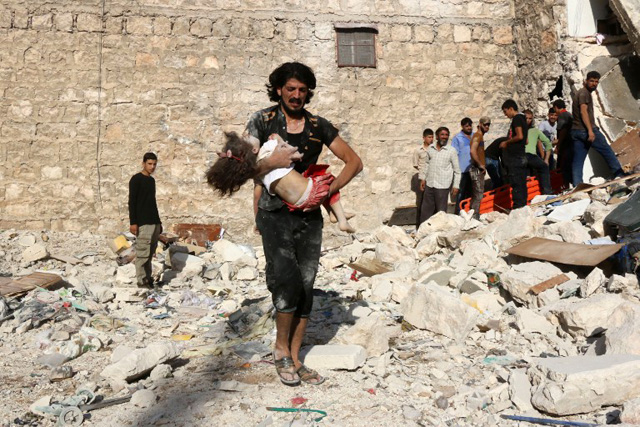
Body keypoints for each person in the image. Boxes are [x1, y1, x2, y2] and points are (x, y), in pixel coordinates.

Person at [245, 62, 362, 386]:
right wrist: (275, 162)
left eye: (302, 89)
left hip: (308, 217)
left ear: (308, 91)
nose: (296, 95)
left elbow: (354, 161)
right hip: (273, 212)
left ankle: (295, 358)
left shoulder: (317, 126)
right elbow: (247, 166)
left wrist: (326, 191)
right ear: (279, 89)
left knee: (307, 284)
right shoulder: (263, 120)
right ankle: (281, 349)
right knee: (286, 279)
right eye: (290, 89)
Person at [206, 132, 355, 233]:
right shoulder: (269, 147)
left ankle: (332, 213)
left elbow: (257, 196)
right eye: (248, 136)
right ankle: (341, 220)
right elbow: (296, 154)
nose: (248, 133)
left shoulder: (258, 173)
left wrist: (258, 221)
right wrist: (280, 140)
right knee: (327, 178)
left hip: (297, 205)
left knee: (312, 177)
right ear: (255, 149)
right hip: (310, 194)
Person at [570, 70, 624, 185]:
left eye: (596, 82)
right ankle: (619, 174)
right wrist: (590, 131)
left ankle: (577, 184)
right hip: (585, 130)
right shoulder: (584, 93)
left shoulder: (581, 93)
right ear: (586, 81)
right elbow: (583, 112)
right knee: (607, 151)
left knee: (578, 160)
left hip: (576, 131)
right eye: (592, 81)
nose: (594, 84)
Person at [128, 152, 162, 288]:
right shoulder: (136, 179)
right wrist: (133, 222)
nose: (152, 167)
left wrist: (159, 222)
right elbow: (132, 202)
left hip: (154, 222)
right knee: (142, 253)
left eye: (154, 164)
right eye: (149, 164)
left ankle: (148, 279)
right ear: (143, 164)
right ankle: (141, 281)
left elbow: (152, 202)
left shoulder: (151, 180)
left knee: (150, 253)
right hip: (143, 223)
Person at [419, 127, 461, 222]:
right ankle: (423, 232)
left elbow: (457, 171)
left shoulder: (451, 151)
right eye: (442, 134)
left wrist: (456, 186)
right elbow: (426, 164)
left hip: (442, 187)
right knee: (426, 211)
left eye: (446, 135)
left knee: (440, 214)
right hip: (429, 184)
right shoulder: (431, 148)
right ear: (437, 136)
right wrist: (422, 179)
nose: (444, 137)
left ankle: (439, 234)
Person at [500, 99, 529, 209]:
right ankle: (523, 205)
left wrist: (506, 142)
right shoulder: (523, 119)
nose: (505, 115)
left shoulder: (516, 119)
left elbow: (520, 136)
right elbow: (525, 140)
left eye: (505, 111)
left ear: (511, 109)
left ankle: (518, 207)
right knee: (522, 182)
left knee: (516, 183)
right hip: (521, 155)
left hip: (516, 157)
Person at [524, 110, 553, 195]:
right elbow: (547, 144)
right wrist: (546, 160)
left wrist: (546, 159)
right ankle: (547, 193)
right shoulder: (519, 130)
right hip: (527, 156)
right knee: (544, 168)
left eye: (530, 118)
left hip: (525, 157)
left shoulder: (534, 130)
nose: (528, 120)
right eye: (526, 118)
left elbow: (547, 143)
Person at [468, 117, 491, 219]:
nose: (487, 126)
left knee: (478, 193)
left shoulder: (480, 136)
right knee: (478, 194)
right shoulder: (477, 136)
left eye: (488, 124)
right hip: (476, 169)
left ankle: (474, 215)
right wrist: (480, 165)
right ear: (480, 124)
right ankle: (474, 216)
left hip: (477, 168)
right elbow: (473, 151)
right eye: (485, 124)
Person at [451, 117, 473, 214]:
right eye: (466, 126)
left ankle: (469, 211)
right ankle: (459, 212)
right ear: (462, 126)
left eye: (470, 125)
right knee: (461, 192)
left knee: (471, 192)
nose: (469, 128)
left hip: (473, 169)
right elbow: (454, 154)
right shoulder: (457, 138)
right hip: (462, 169)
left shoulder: (475, 136)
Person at [413, 128, 434, 228]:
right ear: (424, 138)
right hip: (422, 178)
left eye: (432, 137)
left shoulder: (434, 149)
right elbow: (416, 165)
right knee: (421, 202)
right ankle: (420, 225)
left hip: (433, 178)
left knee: (432, 201)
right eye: (429, 137)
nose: (431, 139)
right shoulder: (418, 150)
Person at [553, 99, 573, 186]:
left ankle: (564, 185)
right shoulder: (569, 114)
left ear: (556, 107)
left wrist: (558, 145)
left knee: (562, 166)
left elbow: (562, 131)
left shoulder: (562, 115)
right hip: (571, 144)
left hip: (565, 145)